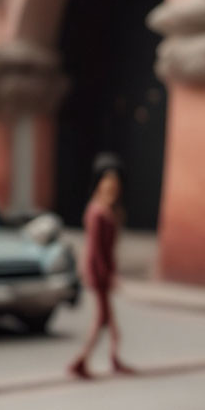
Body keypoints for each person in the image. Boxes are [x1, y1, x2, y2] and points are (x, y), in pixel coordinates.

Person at [67, 152, 135, 379]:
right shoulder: (97, 212)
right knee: (102, 321)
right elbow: (95, 250)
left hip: (103, 270)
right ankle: (83, 360)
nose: (113, 190)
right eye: (109, 186)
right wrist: (107, 275)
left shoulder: (108, 210)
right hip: (98, 272)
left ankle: (107, 358)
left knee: (106, 320)